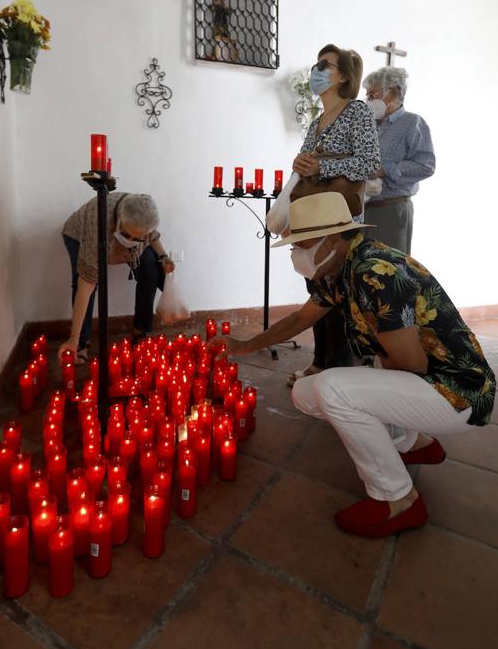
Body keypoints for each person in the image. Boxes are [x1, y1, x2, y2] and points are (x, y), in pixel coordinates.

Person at [212, 192, 495, 537]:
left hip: (460, 395)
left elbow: (411, 364)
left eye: (302, 244)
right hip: (435, 383)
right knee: (312, 389)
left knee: (333, 389)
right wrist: (244, 346)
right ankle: (414, 444)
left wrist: (357, 383)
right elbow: (301, 318)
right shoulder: (343, 268)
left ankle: (398, 499)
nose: (296, 254)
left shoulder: (374, 272)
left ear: (331, 239)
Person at [288, 44, 381, 386]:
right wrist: (300, 163)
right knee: (316, 288)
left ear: (343, 75)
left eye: (325, 65)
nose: (317, 70)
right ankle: (319, 363)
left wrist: (324, 164)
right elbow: (305, 162)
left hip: (340, 219)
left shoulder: (357, 112)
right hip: (313, 218)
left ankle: (341, 372)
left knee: (337, 295)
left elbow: (371, 162)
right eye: (317, 64)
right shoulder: (316, 122)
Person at [57, 192, 175, 362]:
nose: (131, 240)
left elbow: (151, 237)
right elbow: (86, 285)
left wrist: (163, 257)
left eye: (138, 237)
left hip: (127, 232)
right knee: (83, 279)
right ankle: (80, 341)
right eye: (128, 235)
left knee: (150, 269)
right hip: (79, 236)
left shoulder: (145, 217)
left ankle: (140, 330)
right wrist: (73, 338)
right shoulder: (97, 221)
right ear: (120, 218)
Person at [363, 66, 435, 254]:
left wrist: (386, 169)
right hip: (362, 209)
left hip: (391, 210)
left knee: (388, 274)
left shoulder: (413, 123)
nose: (369, 100)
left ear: (393, 92)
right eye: (367, 95)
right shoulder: (370, 125)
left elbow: (426, 166)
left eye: (373, 94)